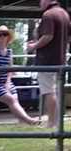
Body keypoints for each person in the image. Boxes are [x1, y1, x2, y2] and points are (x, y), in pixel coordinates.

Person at [0, 26, 39, 126]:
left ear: (8, 37)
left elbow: (10, 69)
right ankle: (29, 120)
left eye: (4, 34)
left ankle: (22, 121)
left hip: (5, 82)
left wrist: (8, 82)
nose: (2, 36)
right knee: (11, 100)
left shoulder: (9, 52)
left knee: (15, 99)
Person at [27, 0, 71, 128]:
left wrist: (33, 46)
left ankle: (52, 122)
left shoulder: (48, 15)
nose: (39, 3)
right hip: (60, 60)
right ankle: (57, 121)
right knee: (54, 91)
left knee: (48, 91)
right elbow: (68, 38)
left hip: (47, 60)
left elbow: (48, 36)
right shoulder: (64, 14)